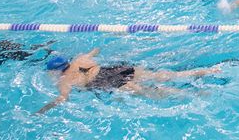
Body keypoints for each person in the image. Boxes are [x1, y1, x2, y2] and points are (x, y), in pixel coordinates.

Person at [37, 48, 220, 114]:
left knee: (148, 92)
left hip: (103, 82)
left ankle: (193, 95)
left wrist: (43, 109)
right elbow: (96, 50)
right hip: (112, 69)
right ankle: (209, 71)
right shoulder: (80, 59)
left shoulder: (63, 80)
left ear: (55, 71)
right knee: (163, 75)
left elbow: (63, 98)